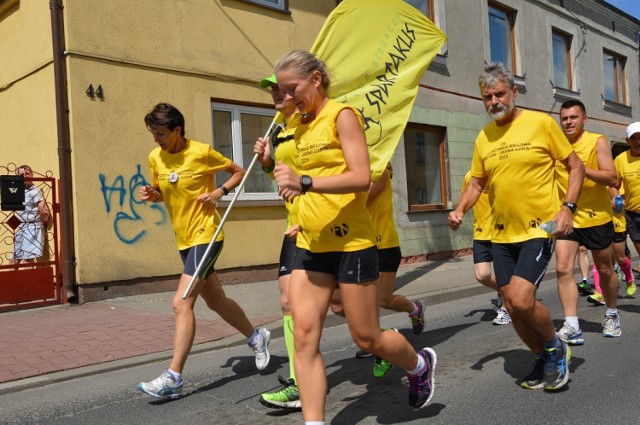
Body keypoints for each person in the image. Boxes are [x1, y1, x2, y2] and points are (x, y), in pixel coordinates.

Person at [272, 50, 436, 423]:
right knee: (304, 339)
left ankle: (418, 364)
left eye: (292, 88)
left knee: (367, 338)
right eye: (282, 90)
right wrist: (294, 198)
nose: (287, 97)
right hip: (311, 245)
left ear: (316, 79)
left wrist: (305, 182)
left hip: (352, 245)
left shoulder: (342, 116)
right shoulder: (298, 127)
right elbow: (300, 184)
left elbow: (362, 177)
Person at [448, 63, 584, 392]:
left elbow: (575, 165)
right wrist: (460, 208)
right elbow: (478, 183)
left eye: (499, 94)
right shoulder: (484, 136)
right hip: (500, 234)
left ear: (514, 93)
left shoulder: (540, 123)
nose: (494, 101)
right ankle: (540, 356)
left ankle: (555, 347)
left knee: (522, 299)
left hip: (539, 229)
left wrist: (568, 208)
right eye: (487, 97)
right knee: (510, 304)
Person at [136, 103, 271, 399]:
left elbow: (238, 172)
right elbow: (162, 191)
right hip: (184, 239)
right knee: (217, 302)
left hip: (207, 235)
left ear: (177, 130)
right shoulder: (155, 157)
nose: (156, 139)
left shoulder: (201, 152)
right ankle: (256, 336)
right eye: (153, 134)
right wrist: (152, 195)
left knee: (181, 303)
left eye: (160, 133)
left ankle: (174, 376)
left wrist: (218, 192)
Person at [330, 163, 426, 377]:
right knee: (337, 305)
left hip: (383, 245)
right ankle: (379, 339)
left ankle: (413, 310)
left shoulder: (379, 170)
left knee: (383, 300)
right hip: (353, 245)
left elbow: (359, 200)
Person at [253, 74, 302, 409]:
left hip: (318, 224)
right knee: (288, 303)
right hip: (293, 226)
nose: (272, 93)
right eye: (270, 88)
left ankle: (376, 341)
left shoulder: (308, 123)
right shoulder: (280, 128)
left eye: (278, 87)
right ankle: (300, 383)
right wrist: (268, 163)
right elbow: (283, 173)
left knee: (347, 310)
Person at [553, 99, 619, 343]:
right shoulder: (556, 144)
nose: (568, 122)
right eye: (564, 118)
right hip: (568, 218)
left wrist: (581, 168)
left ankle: (611, 313)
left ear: (584, 119)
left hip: (597, 217)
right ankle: (572, 325)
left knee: (604, 269)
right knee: (562, 268)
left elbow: (612, 178)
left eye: (573, 117)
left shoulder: (596, 141)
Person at [461, 171, 511, 325]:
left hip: (502, 234)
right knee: (482, 275)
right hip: (481, 233)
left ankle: (507, 309)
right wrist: (459, 212)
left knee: (504, 277)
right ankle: (506, 293)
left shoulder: (503, 172)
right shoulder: (470, 177)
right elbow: (466, 197)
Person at [613, 122, 640, 298]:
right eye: (634, 138)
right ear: (627, 140)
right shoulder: (621, 160)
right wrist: (615, 197)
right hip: (631, 212)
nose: (638, 141)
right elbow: (614, 184)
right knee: (638, 245)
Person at [12, 165, 50, 264]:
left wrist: (42, 221)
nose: (24, 176)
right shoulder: (19, 191)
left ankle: (26, 280)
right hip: (21, 228)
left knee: (27, 261)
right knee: (13, 261)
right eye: (22, 175)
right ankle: (12, 280)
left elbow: (45, 212)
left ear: (32, 175)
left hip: (32, 229)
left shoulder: (35, 191)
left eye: (27, 174)